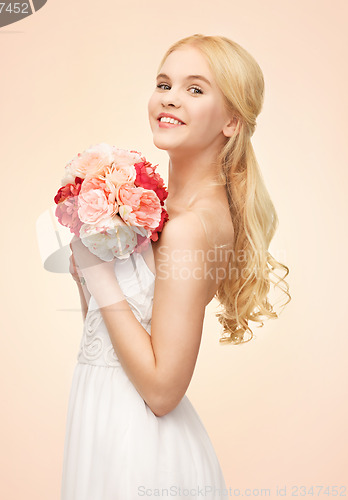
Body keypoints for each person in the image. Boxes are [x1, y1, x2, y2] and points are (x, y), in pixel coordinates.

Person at [60, 33, 291, 500]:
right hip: (104, 423)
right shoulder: (161, 210)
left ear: (231, 120)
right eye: (164, 83)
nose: (170, 99)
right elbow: (111, 334)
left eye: (195, 89)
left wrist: (99, 275)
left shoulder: (191, 227)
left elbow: (163, 392)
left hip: (141, 451)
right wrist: (88, 269)